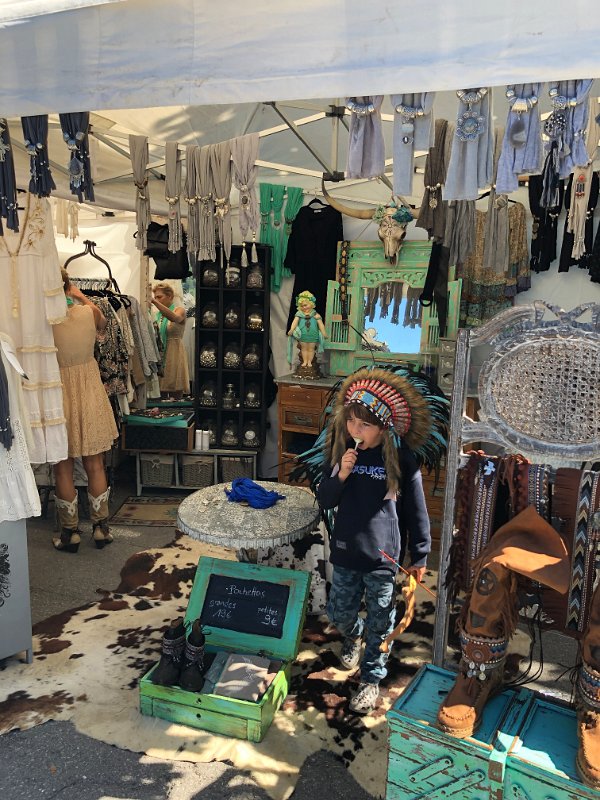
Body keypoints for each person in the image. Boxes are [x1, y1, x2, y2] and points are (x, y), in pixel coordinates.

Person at [316, 367, 442, 715]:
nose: (355, 429)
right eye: (351, 421)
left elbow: (416, 512)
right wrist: (341, 474)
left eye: (364, 424)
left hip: (383, 558)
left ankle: (371, 679)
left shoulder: (402, 461)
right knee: (338, 613)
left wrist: (420, 555)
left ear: (384, 427)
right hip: (346, 551)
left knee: (381, 622)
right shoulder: (342, 453)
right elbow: (325, 499)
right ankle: (352, 634)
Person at [52, 269, 118, 553]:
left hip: (58, 392)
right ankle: (101, 529)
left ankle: (70, 534)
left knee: (63, 465)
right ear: (68, 286)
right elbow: (103, 322)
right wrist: (79, 296)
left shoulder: (44, 321)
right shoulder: (88, 312)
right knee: (95, 464)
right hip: (90, 390)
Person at [151, 282, 189, 400]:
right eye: (155, 297)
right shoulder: (157, 315)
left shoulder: (180, 310)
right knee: (160, 392)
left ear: (170, 296)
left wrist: (154, 302)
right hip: (161, 353)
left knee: (175, 390)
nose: (157, 299)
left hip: (174, 352)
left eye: (159, 297)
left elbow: (175, 318)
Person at [287, 290, 327, 370]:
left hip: (313, 335)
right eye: (302, 306)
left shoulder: (316, 315)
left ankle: (309, 362)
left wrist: (324, 333)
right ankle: (305, 361)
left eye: (305, 305)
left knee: (311, 349)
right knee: (304, 349)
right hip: (303, 335)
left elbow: (321, 325)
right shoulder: (299, 314)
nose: (304, 307)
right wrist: (291, 330)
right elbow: (294, 322)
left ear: (311, 304)